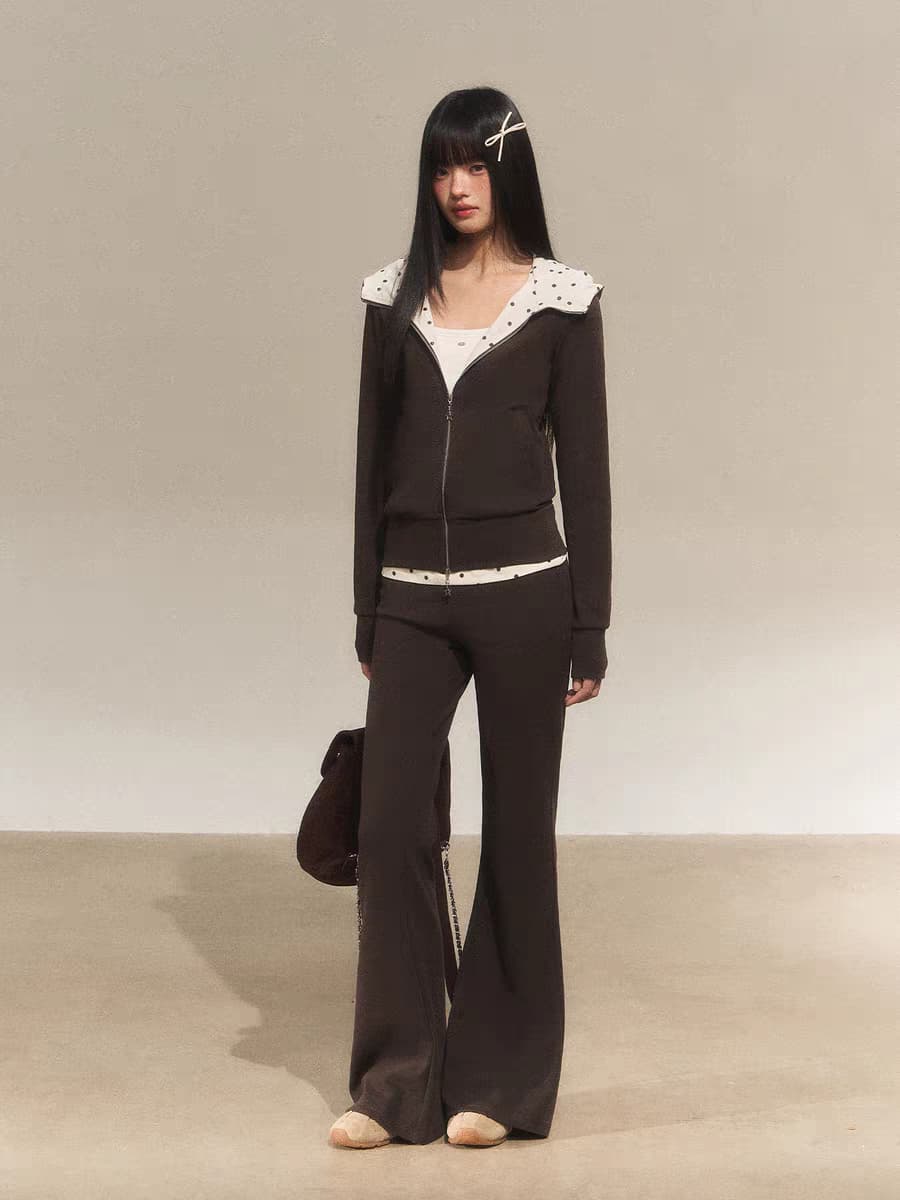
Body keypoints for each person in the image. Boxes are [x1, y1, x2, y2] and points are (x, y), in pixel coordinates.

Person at [328, 86, 612, 1149]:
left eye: (476, 165)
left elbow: (586, 474)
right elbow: (371, 464)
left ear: (509, 171)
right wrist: (368, 603)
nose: (457, 186)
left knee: (519, 834)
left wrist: (590, 621)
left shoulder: (562, 302)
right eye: (443, 165)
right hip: (411, 599)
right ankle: (395, 1086)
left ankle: (500, 1083)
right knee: (390, 823)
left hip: (530, 596)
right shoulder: (391, 299)